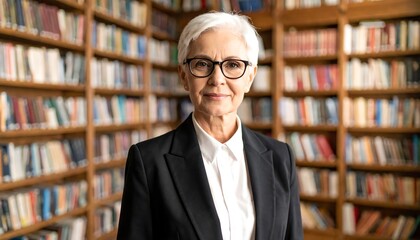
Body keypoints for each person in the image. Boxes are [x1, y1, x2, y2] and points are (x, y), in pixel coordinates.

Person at [117, 11, 303, 240]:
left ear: (250, 77)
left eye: (233, 65)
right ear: (184, 76)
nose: (217, 79)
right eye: (203, 64)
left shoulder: (280, 157)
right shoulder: (148, 162)